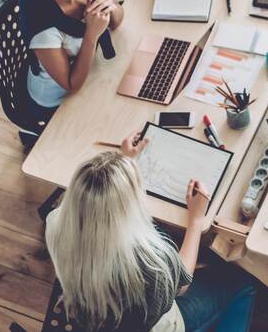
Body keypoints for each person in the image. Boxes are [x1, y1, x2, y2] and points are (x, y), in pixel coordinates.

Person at [44, 133, 255, 332]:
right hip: (157, 325)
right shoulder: (149, 262)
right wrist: (196, 220)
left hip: (93, 309)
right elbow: (182, 284)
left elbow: (97, 201)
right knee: (243, 283)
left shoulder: (54, 222)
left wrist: (121, 163)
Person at [17, 0, 124, 147]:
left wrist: (109, 5)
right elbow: (71, 84)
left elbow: (116, 21)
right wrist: (92, 33)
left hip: (89, 71)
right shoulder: (44, 28)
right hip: (57, 99)